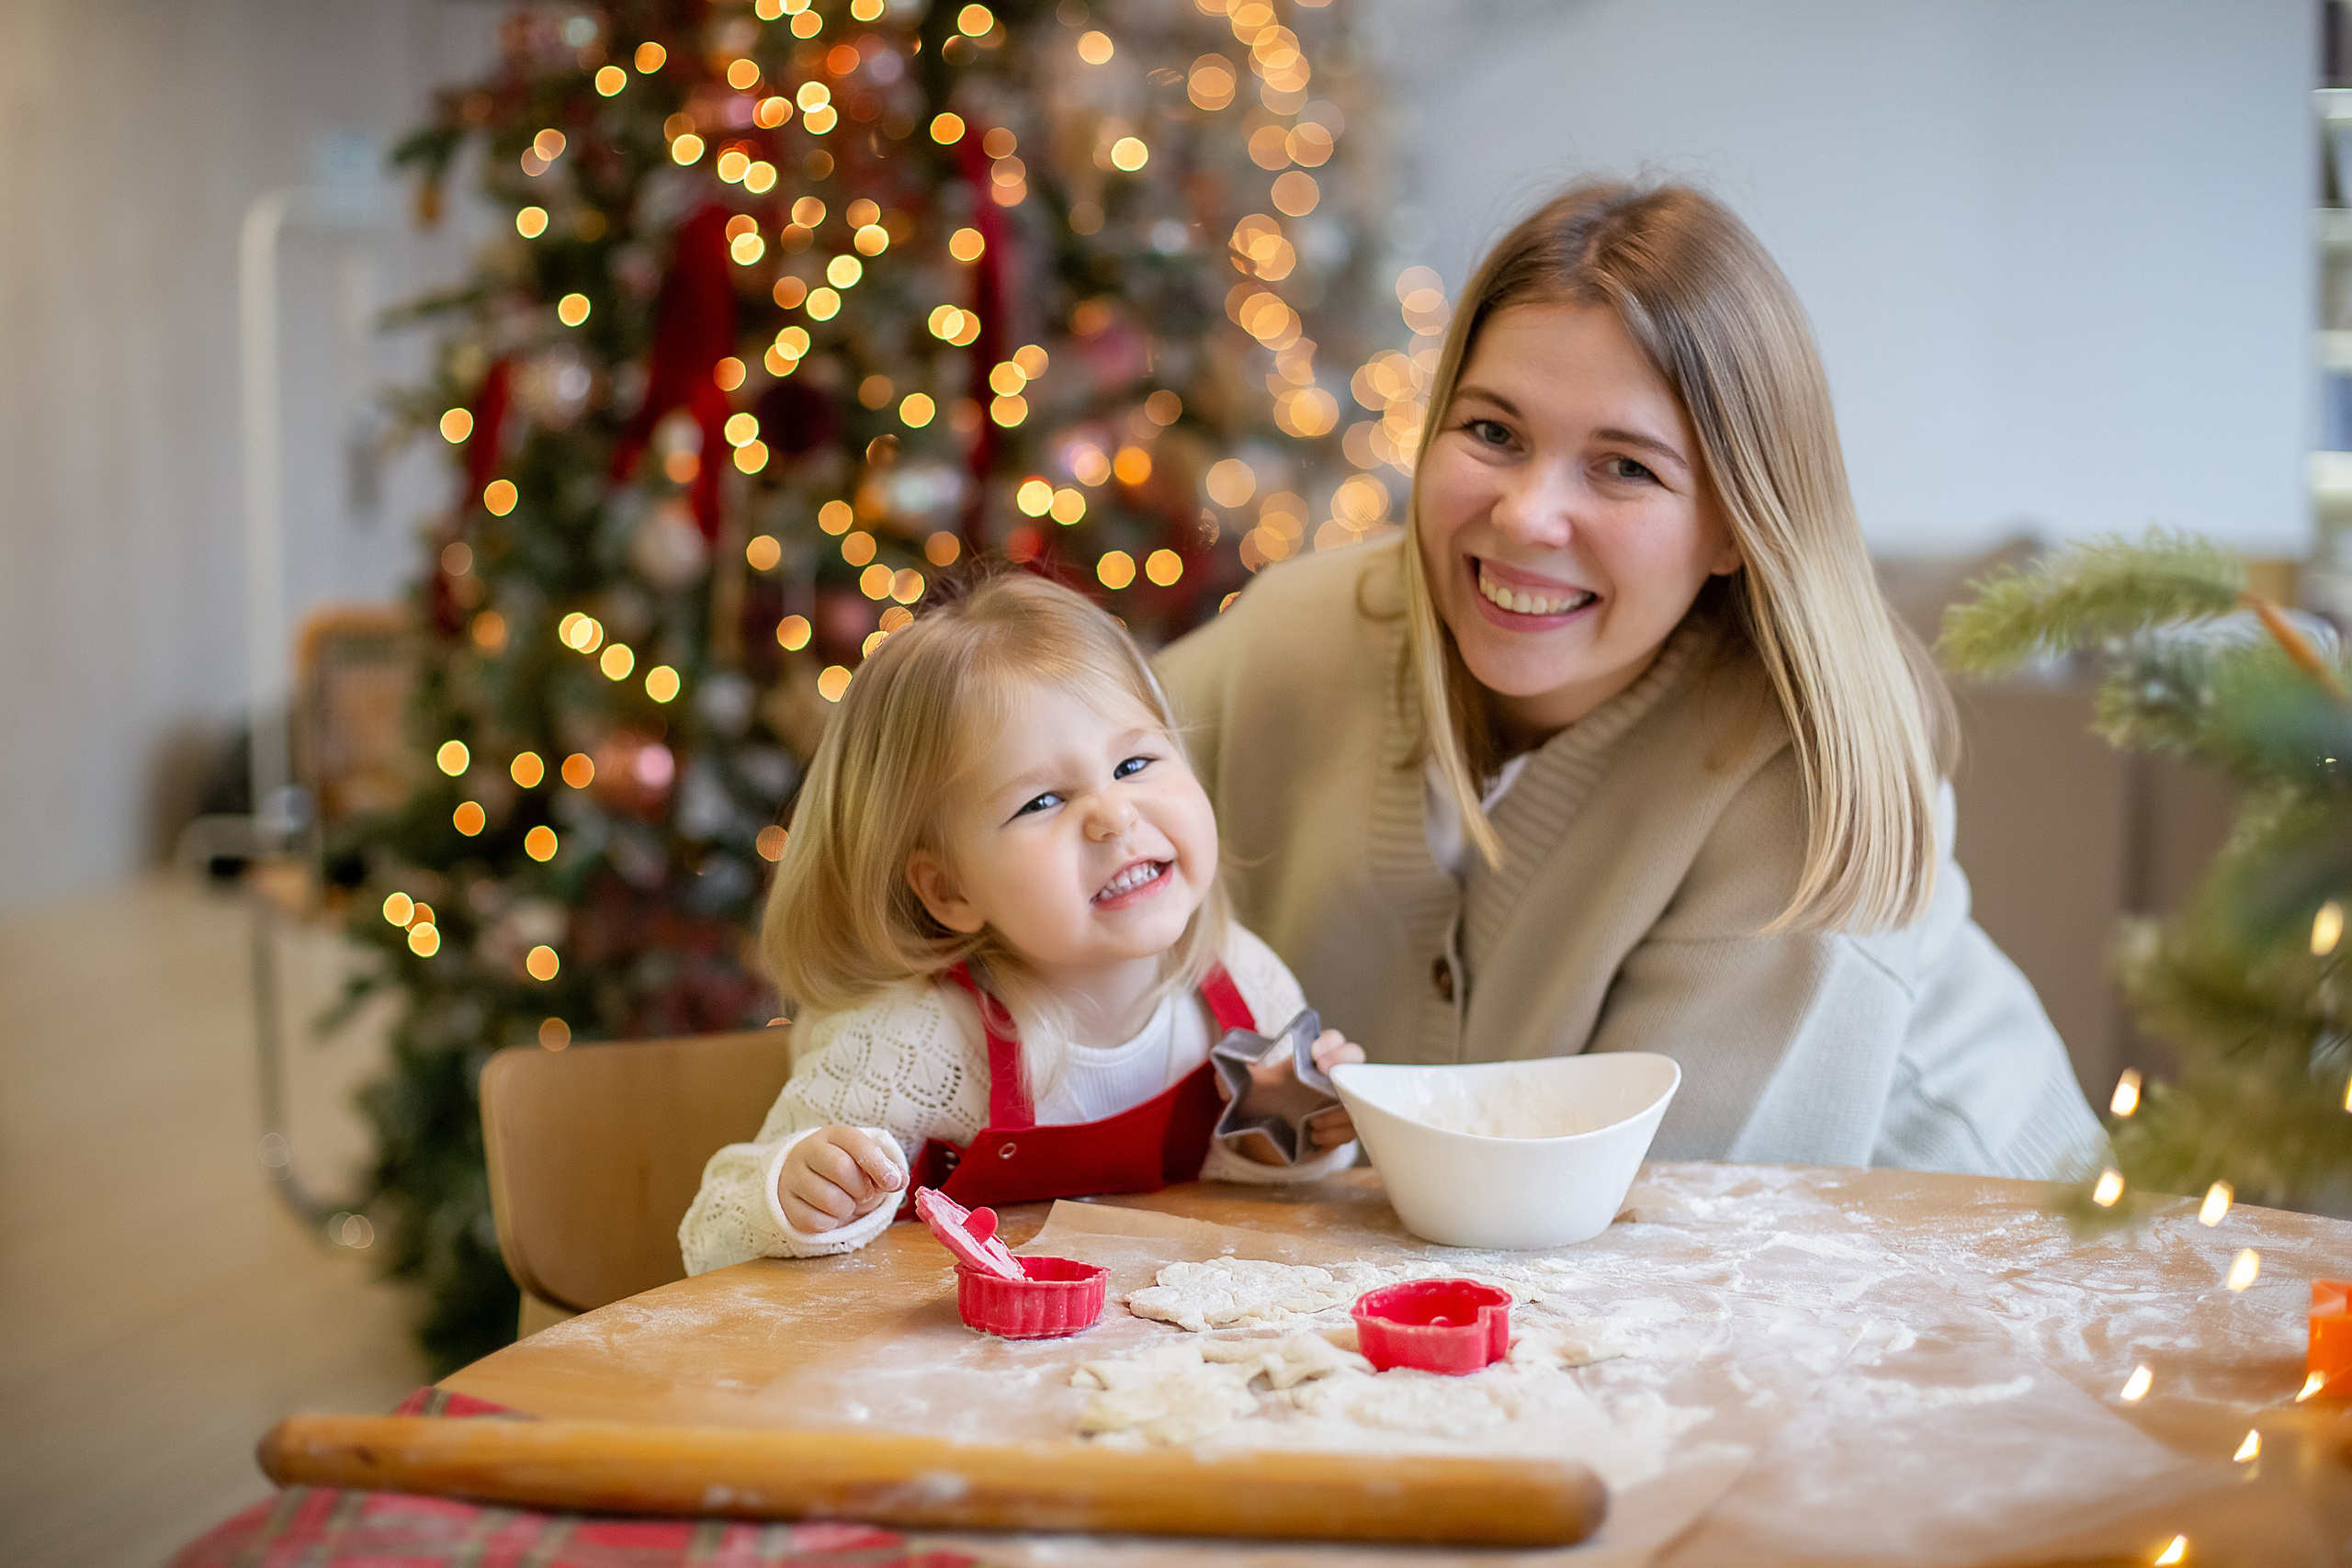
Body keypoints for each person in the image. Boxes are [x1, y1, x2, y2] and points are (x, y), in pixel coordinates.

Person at [1158, 180, 2102, 1179]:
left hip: (1973, 1273)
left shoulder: (1802, 782)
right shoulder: (1304, 632)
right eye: (1492, 432)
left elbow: (1672, 1241)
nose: (1525, 516)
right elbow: (1018, 807)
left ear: (1738, 525)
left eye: (1623, 468)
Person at [681, 572, 1362, 1276]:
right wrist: (795, 1196)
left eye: (1134, 762)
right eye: (1041, 801)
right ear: (948, 890)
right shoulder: (918, 1043)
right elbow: (713, 1237)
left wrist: (1291, 1144)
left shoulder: (1243, 986)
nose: (1113, 814)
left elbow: (1277, 1217)